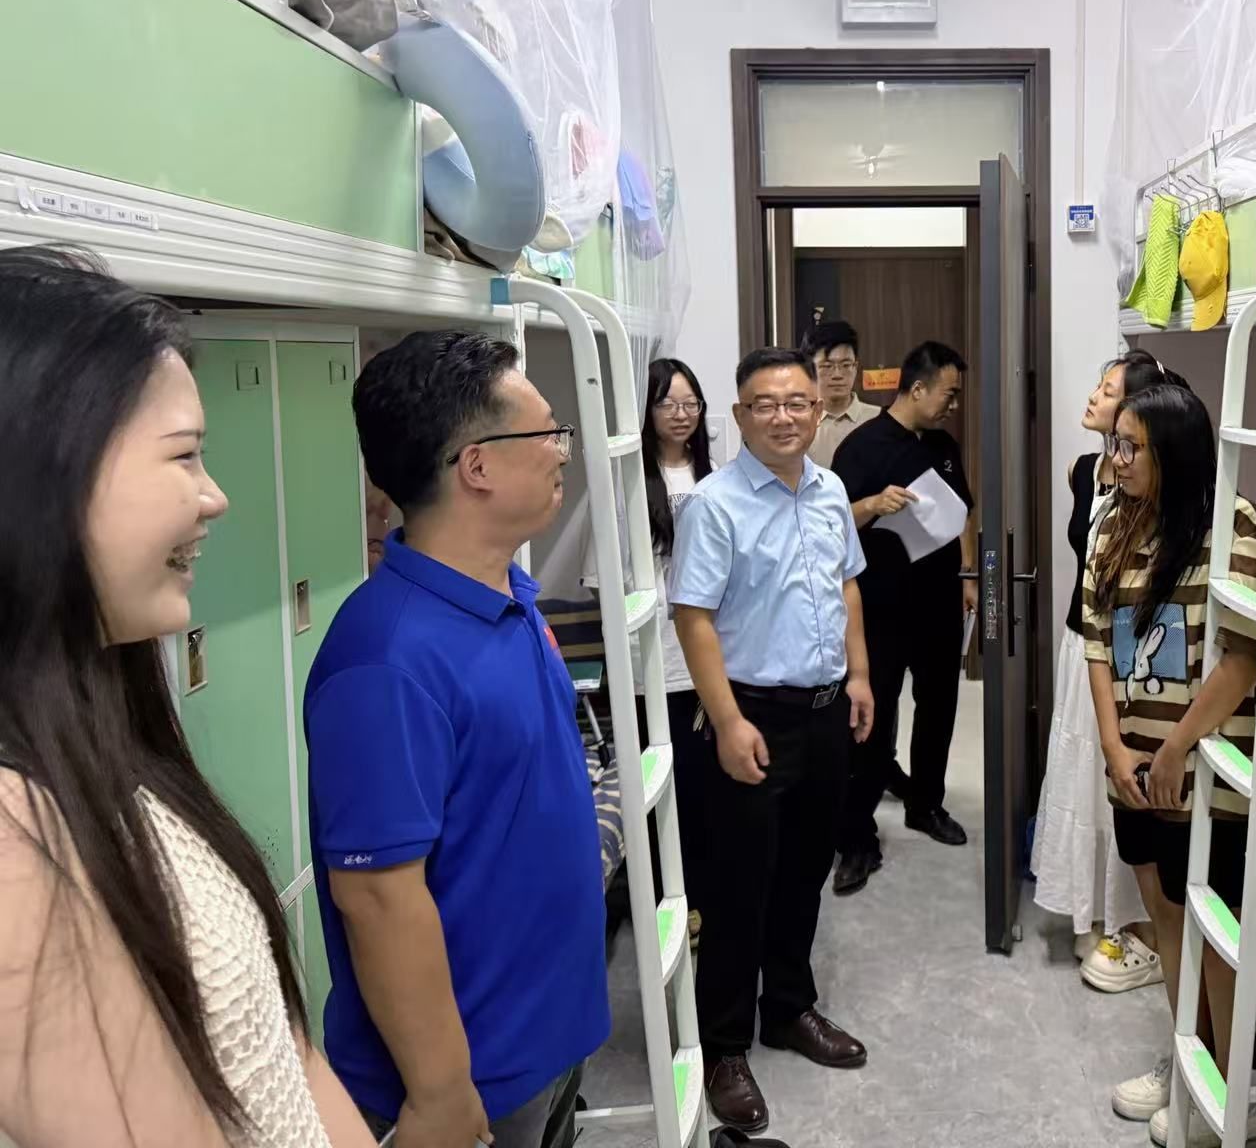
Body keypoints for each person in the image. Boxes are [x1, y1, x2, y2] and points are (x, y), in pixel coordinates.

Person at [0, 244, 374, 1146]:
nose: (214, 498)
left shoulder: (108, 741)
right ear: (44, 475)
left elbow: (285, 1058)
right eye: (185, 457)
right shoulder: (14, 845)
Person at [305, 331, 608, 1148]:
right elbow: (377, 894)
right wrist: (439, 1091)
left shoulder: (507, 592)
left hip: (545, 1036)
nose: (562, 451)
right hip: (468, 1080)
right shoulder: (386, 660)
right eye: (547, 433)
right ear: (476, 466)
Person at [672, 347, 876, 1134]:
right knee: (738, 886)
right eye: (765, 404)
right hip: (750, 712)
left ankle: (788, 1008)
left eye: (797, 402)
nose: (783, 417)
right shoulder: (713, 505)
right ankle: (724, 1046)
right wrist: (727, 722)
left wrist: (860, 676)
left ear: (818, 411)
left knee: (804, 871)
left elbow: (846, 583)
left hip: (824, 711)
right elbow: (694, 617)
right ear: (739, 416)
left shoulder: (830, 490)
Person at [1087, 385, 1256, 1147]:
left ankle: (1232, 1094)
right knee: (1166, 925)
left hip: (1203, 770)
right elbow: (1096, 641)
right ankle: (1187, 1063)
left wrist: (1175, 749)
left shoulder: (1233, 522)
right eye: (1116, 444)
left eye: (1132, 446)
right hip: (1133, 766)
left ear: (1174, 451)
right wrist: (1113, 746)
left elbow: (1242, 658)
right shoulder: (1116, 521)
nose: (1118, 459)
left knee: (1212, 932)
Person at [1032, 351, 1184, 992]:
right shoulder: (1082, 471)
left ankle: (1133, 921)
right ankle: (1092, 910)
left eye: (1109, 389)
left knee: (1116, 777)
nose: (1095, 396)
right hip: (1081, 641)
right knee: (1081, 775)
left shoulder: (1154, 489)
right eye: (1098, 385)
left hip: (1128, 651)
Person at [828, 341, 979, 895]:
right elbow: (831, 522)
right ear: (917, 389)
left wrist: (968, 574)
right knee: (872, 720)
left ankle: (926, 804)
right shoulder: (860, 448)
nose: (953, 405)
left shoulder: (942, 445)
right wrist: (872, 505)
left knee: (939, 707)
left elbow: (964, 511)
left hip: (939, 602)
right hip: (881, 608)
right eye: (949, 394)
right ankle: (856, 837)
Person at [638, 357, 718, 923]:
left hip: (712, 654)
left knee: (710, 783)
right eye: (668, 403)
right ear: (646, 410)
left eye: (691, 404)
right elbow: (606, 580)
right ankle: (670, 901)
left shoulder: (718, 479)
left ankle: (706, 895)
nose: (681, 414)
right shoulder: (628, 479)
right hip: (657, 662)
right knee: (668, 785)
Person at [802, 319, 880, 470]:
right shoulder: (799, 423)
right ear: (810, 369)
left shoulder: (879, 419)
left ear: (855, 367)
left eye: (846, 365)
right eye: (827, 366)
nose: (837, 375)